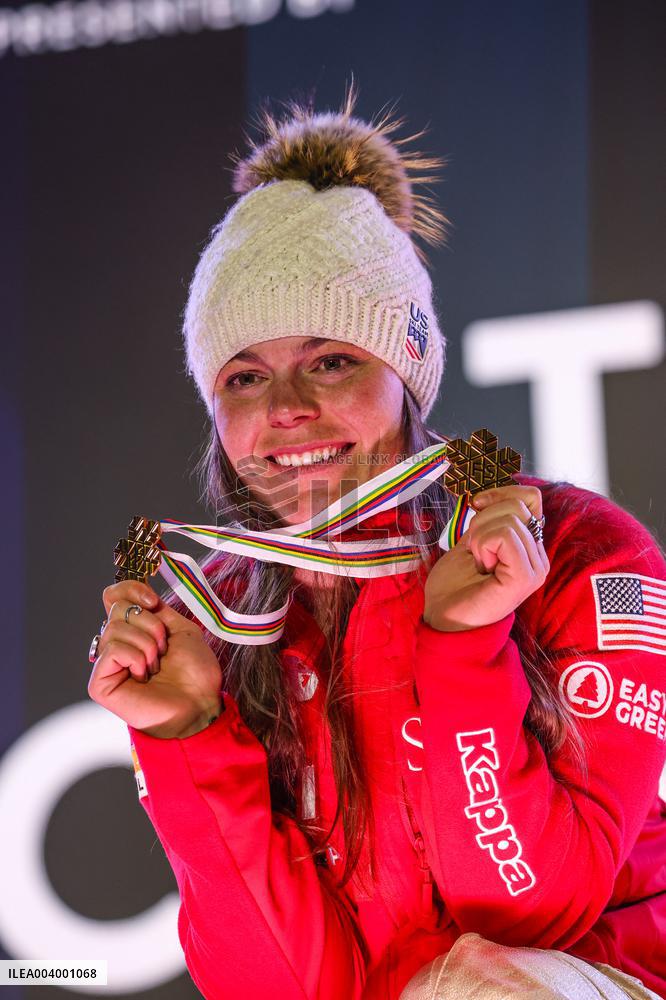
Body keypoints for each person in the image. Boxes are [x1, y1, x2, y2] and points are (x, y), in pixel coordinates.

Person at [87, 86, 666, 1000]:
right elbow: (284, 986)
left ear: (408, 370)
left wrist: (464, 644)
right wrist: (189, 732)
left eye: (331, 360)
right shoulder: (226, 619)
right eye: (244, 377)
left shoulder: (588, 553)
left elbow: (532, 913)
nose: (285, 411)